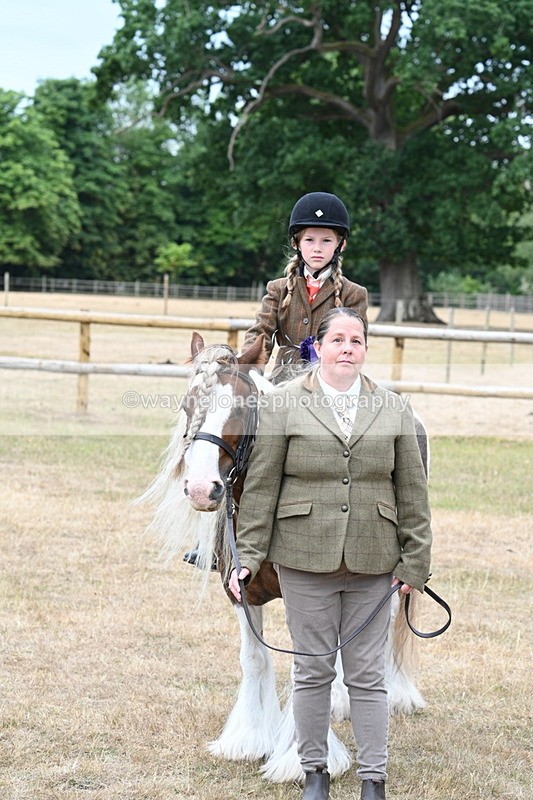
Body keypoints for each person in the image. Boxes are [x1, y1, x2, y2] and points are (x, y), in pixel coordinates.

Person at [228, 307, 433, 800]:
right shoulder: (283, 407)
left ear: (365, 350)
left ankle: (373, 779)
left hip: (373, 561)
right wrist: (248, 557)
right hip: (303, 559)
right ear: (318, 347)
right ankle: (314, 772)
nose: (347, 348)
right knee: (313, 670)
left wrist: (416, 562)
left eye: (356, 340)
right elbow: (260, 492)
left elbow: (413, 493)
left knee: (366, 676)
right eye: (337, 339)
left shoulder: (394, 409)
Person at [184, 191, 368, 567]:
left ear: (340, 244)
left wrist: (327, 360)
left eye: (326, 240)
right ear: (297, 243)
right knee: (235, 445)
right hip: (282, 383)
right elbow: (260, 332)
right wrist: (242, 366)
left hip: (335, 385)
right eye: (310, 240)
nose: (318, 248)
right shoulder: (277, 289)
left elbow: (354, 339)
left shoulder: (354, 294)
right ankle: (212, 543)